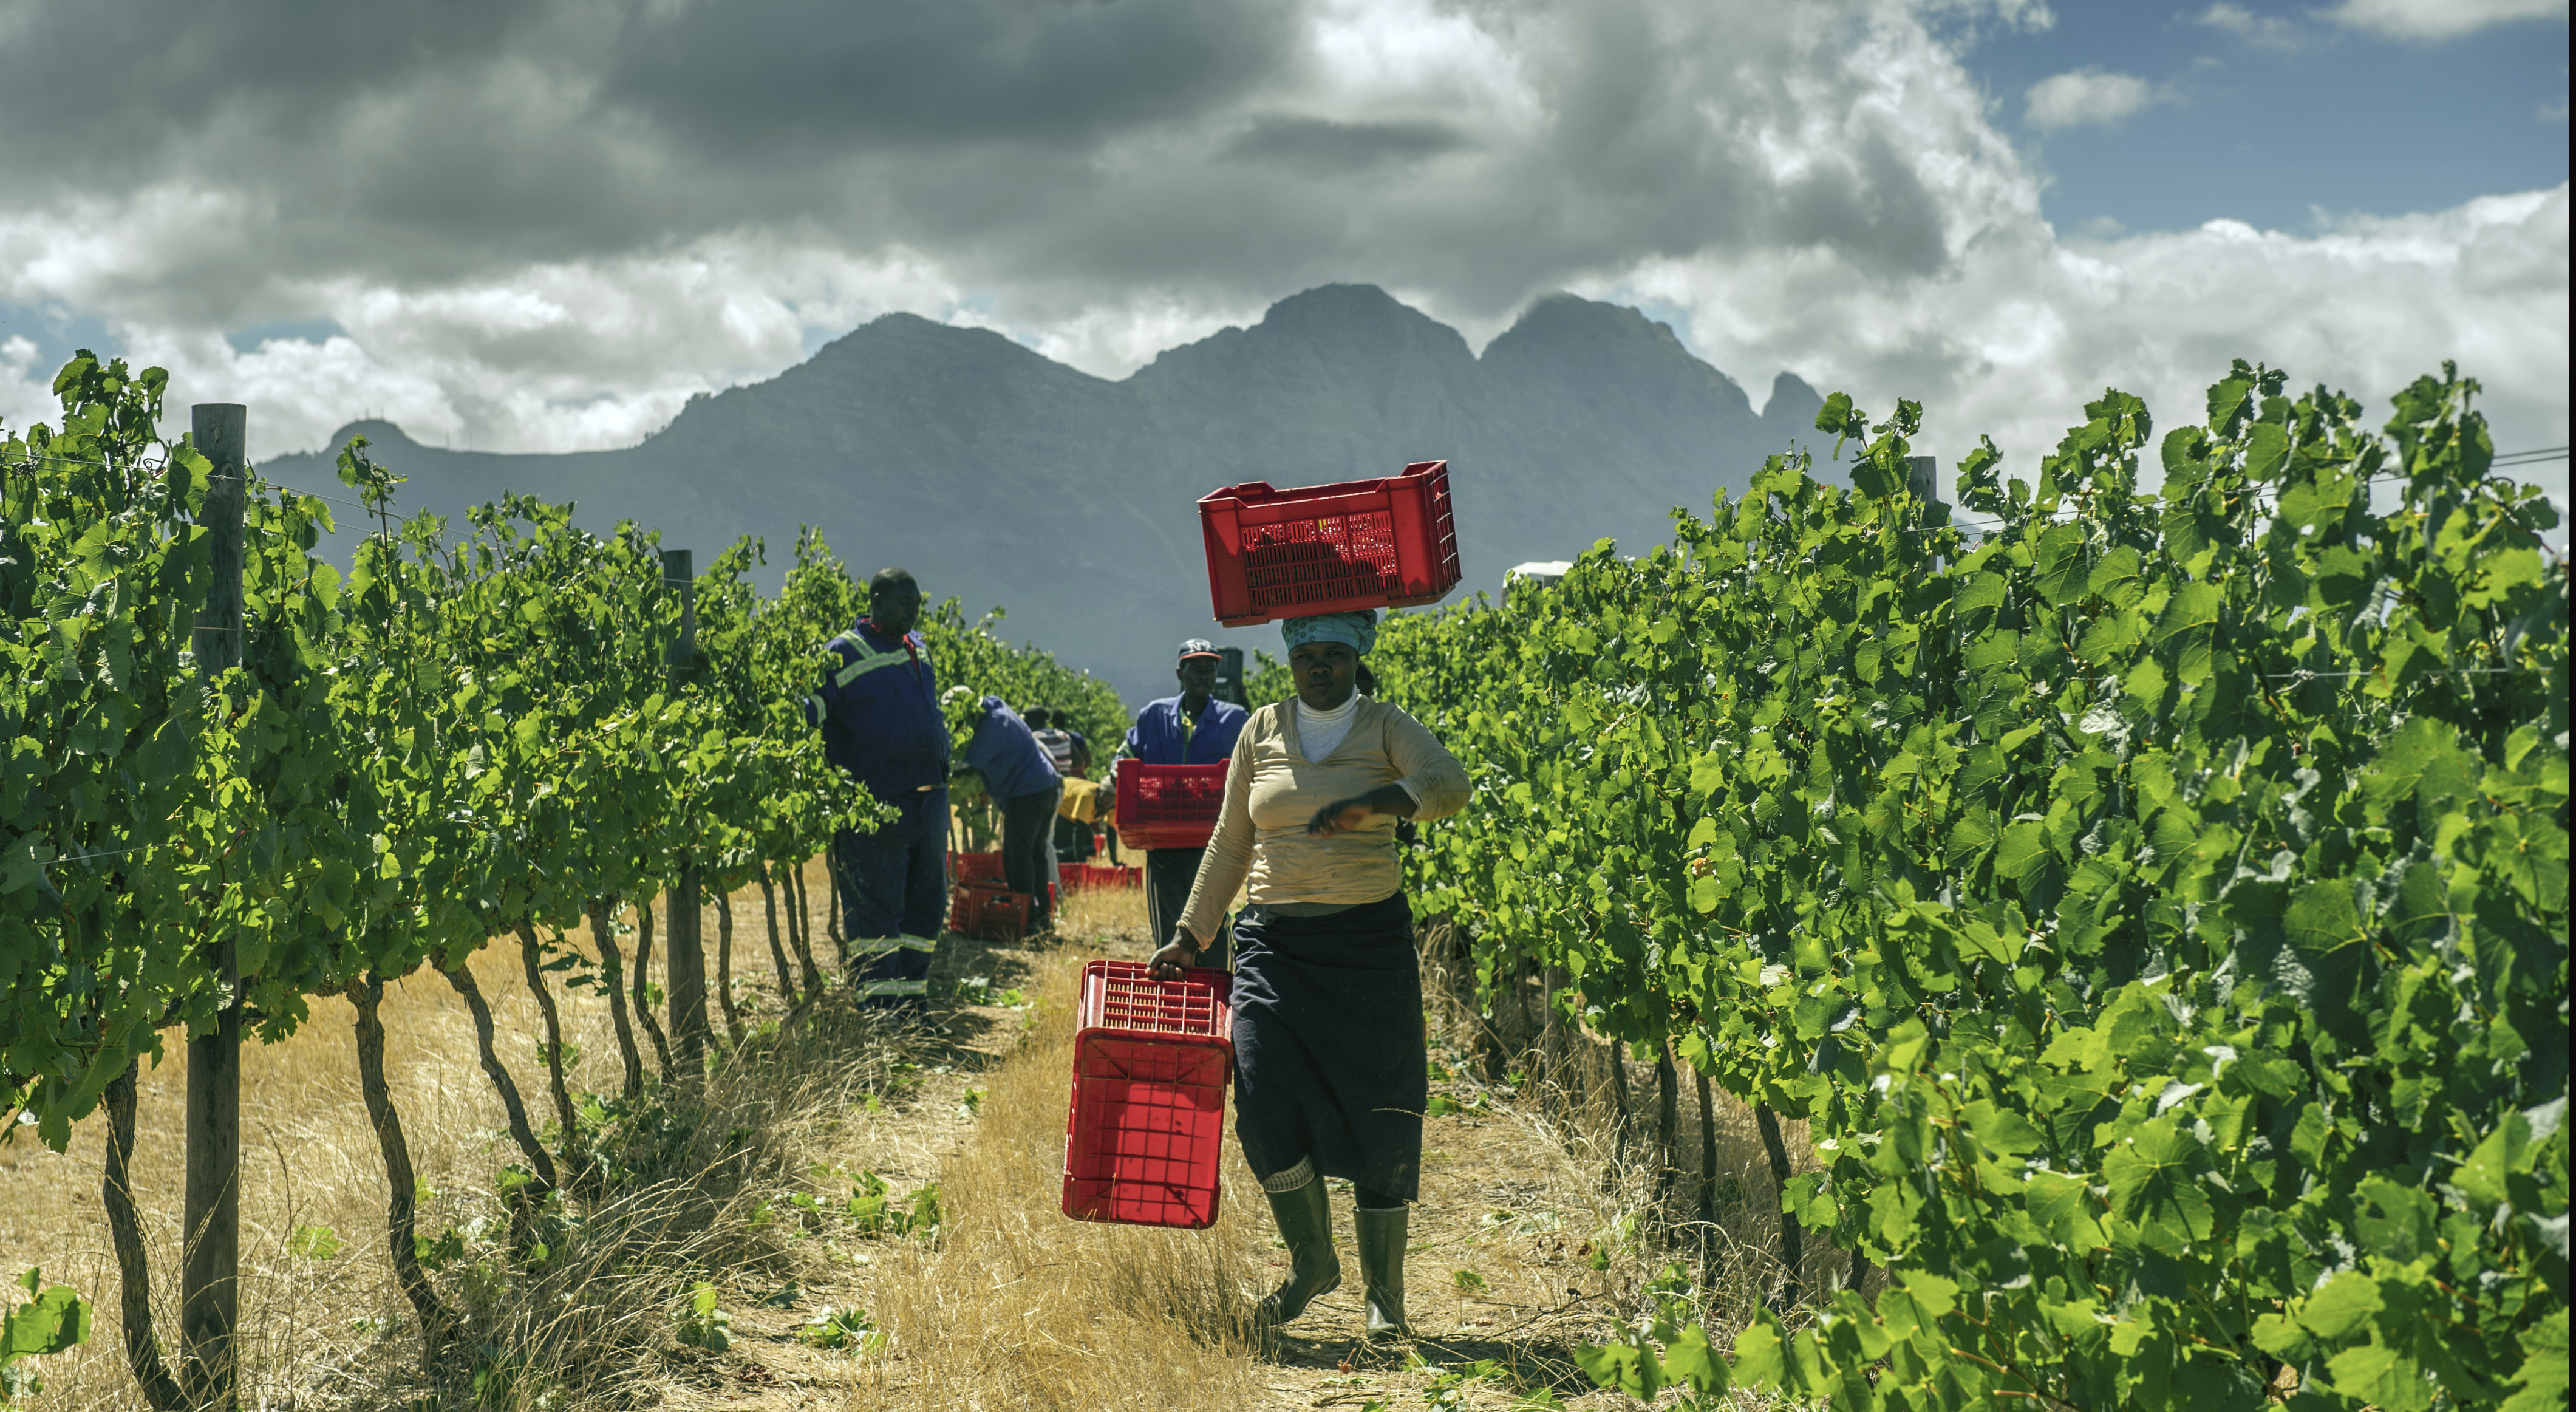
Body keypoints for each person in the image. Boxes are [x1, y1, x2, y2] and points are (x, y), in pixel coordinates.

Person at [1151, 610, 1470, 1339]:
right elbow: (1230, 843)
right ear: (1290, 661)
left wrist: (1376, 801)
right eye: (1306, 656)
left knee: (1382, 1110)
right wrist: (1192, 934)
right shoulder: (1260, 730)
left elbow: (1450, 785)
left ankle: (1385, 1303)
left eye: (1334, 654)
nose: (1319, 666)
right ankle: (1312, 1261)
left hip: (1367, 947)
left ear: (1358, 657)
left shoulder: (1386, 725)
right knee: (1262, 1095)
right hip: (1272, 946)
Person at [800, 568, 948, 1009]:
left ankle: (911, 1005)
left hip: (930, 800)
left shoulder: (916, 646)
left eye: (917, 605)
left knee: (926, 906)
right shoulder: (843, 652)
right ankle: (880, 1015)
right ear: (877, 601)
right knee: (877, 909)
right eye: (905, 603)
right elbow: (808, 712)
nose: (913, 611)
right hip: (877, 805)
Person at [1122, 639, 1250, 964]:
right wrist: (1115, 776)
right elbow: (1125, 756)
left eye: (1211, 668)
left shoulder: (1234, 719)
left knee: (1212, 919)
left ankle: (1213, 992)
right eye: (1196, 668)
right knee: (1168, 924)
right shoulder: (1155, 715)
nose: (1205, 674)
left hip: (1213, 838)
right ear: (1180, 672)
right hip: (1161, 837)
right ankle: (1176, 999)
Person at [955, 695, 1063, 930]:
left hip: (1027, 793)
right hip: (1047, 787)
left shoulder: (992, 725)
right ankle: (1042, 913)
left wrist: (942, 767)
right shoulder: (999, 709)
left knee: (1017, 855)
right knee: (1036, 852)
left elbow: (969, 766)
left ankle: (1028, 916)